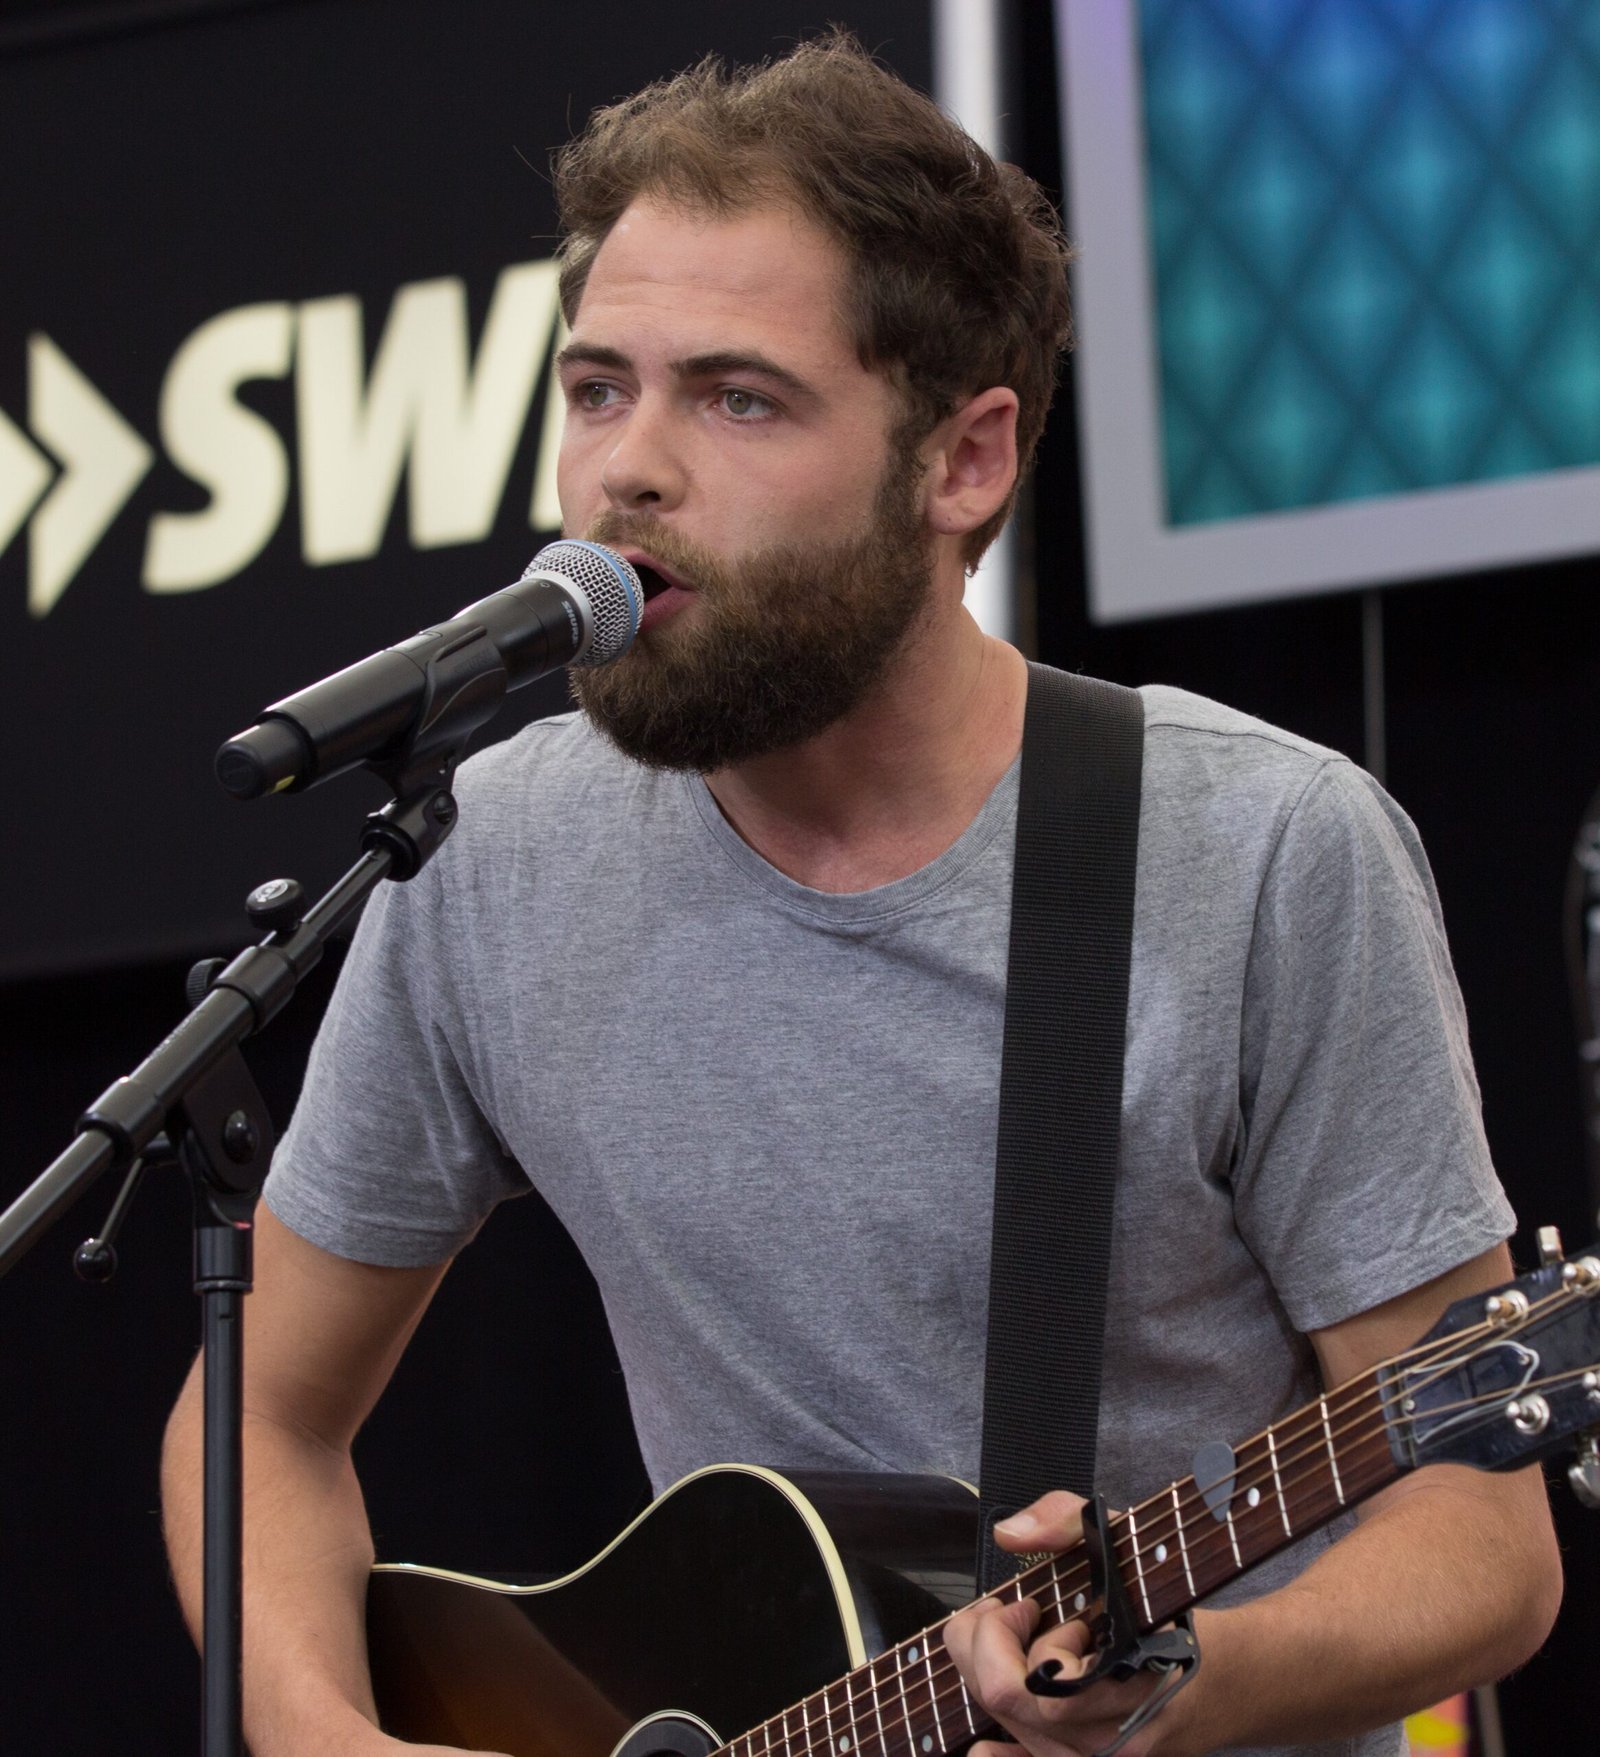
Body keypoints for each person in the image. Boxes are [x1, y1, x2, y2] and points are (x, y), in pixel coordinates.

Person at [160, 31, 1561, 1757]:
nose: (627, 473)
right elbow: (259, 1422)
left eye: (736, 397)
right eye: (599, 389)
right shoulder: (491, 855)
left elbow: (1485, 1543)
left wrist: (1171, 1689)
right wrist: (331, 1742)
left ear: (963, 462)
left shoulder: (1261, 850)